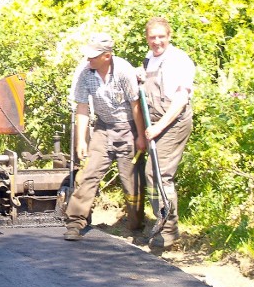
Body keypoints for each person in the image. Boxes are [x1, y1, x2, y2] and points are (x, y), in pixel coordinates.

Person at [64, 32, 147, 241]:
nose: (88, 59)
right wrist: (81, 140)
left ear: (107, 56)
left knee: (131, 180)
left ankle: (136, 223)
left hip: (128, 127)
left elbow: (136, 106)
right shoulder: (85, 73)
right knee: (89, 174)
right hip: (102, 127)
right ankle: (75, 222)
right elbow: (82, 107)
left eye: (93, 56)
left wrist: (141, 137)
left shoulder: (124, 71)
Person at [137, 17, 194, 250]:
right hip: (155, 122)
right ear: (147, 38)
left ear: (169, 36)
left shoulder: (179, 61)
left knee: (158, 175)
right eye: (152, 37)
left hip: (174, 122)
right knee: (153, 175)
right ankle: (161, 226)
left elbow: (180, 99)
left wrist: (159, 128)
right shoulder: (150, 59)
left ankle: (168, 233)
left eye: (161, 36)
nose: (157, 41)